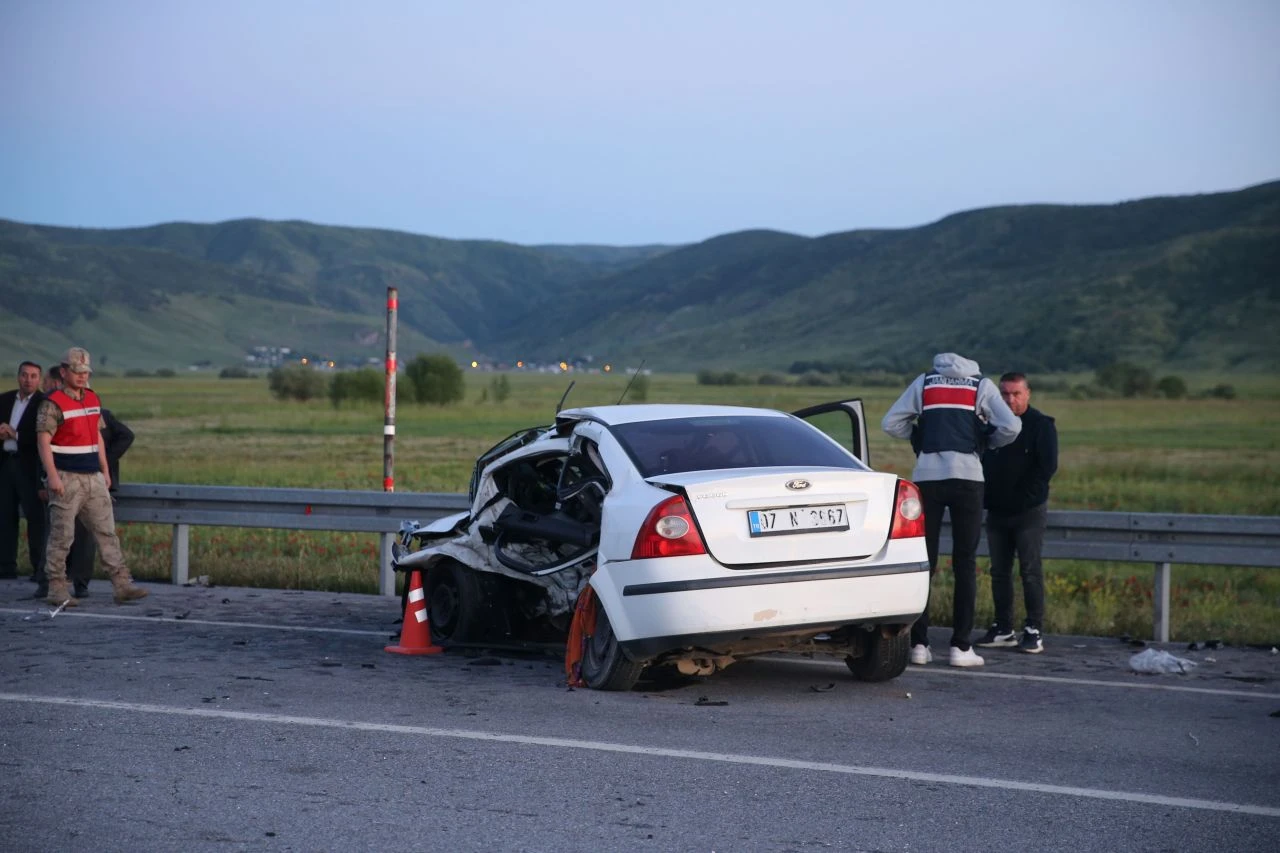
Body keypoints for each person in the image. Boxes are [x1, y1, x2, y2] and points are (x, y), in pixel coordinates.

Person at [882, 352, 1021, 667]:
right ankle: (961, 647)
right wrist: (987, 443)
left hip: (928, 480)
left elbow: (890, 423)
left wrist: (918, 437)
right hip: (969, 479)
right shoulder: (980, 385)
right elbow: (1011, 427)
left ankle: (919, 644)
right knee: (964, 562)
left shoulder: (925, 383)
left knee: (924, 562)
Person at [34, 347, 147, 606]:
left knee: (106, 531)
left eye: (86, 372)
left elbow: (97, 438)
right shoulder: (52, 403)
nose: (82, 376)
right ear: (64, 372)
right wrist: (52, 476)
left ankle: (121, 584)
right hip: (66, 476)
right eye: (77, 371)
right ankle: (57, 587)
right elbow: (43, 441)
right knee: (63, 535)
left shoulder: (93, 399)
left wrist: (105, 471)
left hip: (92, 476)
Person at [976, 372, 1059, 654]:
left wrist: (1022, 498)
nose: (1010, 399)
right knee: (999, 572)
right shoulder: (992, 426)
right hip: (997, 511)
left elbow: (1046, 468)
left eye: (1016, 394)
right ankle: (1003, 628)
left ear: (1028, 394)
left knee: (1030, 571)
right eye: (1004, 394)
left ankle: (1034, 629)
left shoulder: (1041, 426)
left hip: (1028, 512)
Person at [0, 361, 47, 584]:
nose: (28, 380)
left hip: (29, 468)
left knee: (35, 519)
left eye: (33, 376)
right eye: (25, 375)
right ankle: (6, 566)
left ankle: (39, 568)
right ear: (18, 377)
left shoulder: (43, 403)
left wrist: (15, 435)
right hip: (5, 464)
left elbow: (43, 438)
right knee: (4, 517)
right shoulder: (5, 399)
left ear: (39, 379)